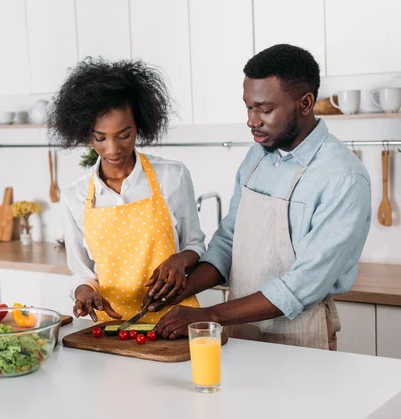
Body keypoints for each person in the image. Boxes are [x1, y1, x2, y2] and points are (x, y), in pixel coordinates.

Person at [148, 44, 372, 350]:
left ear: (305, 103)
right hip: (239, 331)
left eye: (265, 109)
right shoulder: (257, 157)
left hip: (301, 338)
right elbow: (229, 241)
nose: (252, 120)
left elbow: (303, 285)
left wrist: (209, 315)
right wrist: (180, 289)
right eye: (249, 107)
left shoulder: (343, 178)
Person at [49, 57, 205, 323]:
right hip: (111, 327)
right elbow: (82, 272)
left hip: (174, 319)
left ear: (139, 126)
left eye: (124, 135)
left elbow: (195, 245)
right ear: (86, 133)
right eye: (100, 138)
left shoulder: (173, 176)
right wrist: (84, 291)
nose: (113, 149)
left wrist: (180, 260)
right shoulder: (74, 197)